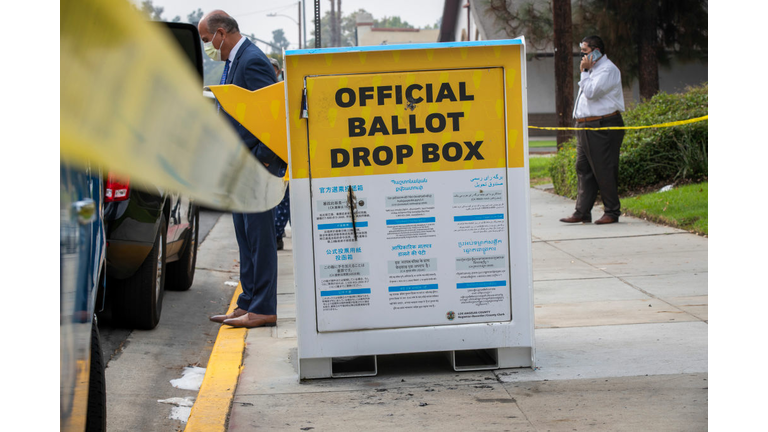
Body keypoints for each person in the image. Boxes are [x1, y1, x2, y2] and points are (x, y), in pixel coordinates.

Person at [200, 10, 286, 328]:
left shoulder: (252, 60)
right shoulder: (233, 62)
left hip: (257, 167)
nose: (208, 46)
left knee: (260, 240)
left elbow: (274, 114)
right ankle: (247, 303)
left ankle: (263, 308)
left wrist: (263, 160)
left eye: (208, 40)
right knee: (246, 238)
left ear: (222, 33)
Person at [560, 35, 626, 225]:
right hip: (586, 126)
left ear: (597, 50)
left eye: (585, 51)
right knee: (583, 168)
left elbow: (591, 93)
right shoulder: (592, 70)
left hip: (602, 125)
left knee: (604, 169)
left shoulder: (607, 70)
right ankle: (582, 211)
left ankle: (612, 211)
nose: (582, 56)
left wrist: (584, 72)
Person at [269, 58, 291, 251]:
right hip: (279, 158)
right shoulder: (272, 93)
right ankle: (276, 234)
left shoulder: (285, 92)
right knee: (283, 200)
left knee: (286, 200)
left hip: (287, 159)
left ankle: (277, 234)